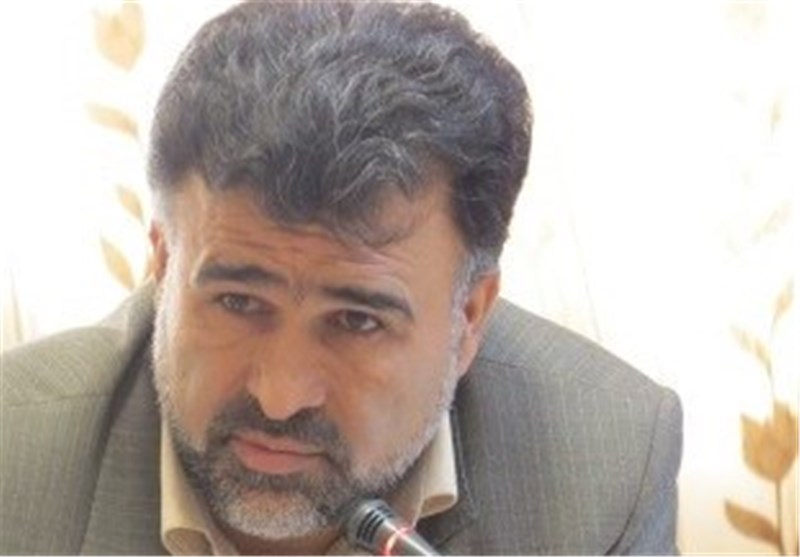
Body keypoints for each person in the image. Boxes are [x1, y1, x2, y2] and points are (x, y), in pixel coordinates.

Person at [0, 1, 683, 554]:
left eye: (357, 320)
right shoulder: (13, 458)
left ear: (470, 316)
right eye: (238, 300)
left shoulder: (605, 467)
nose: (278, 396)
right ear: (163, 265)